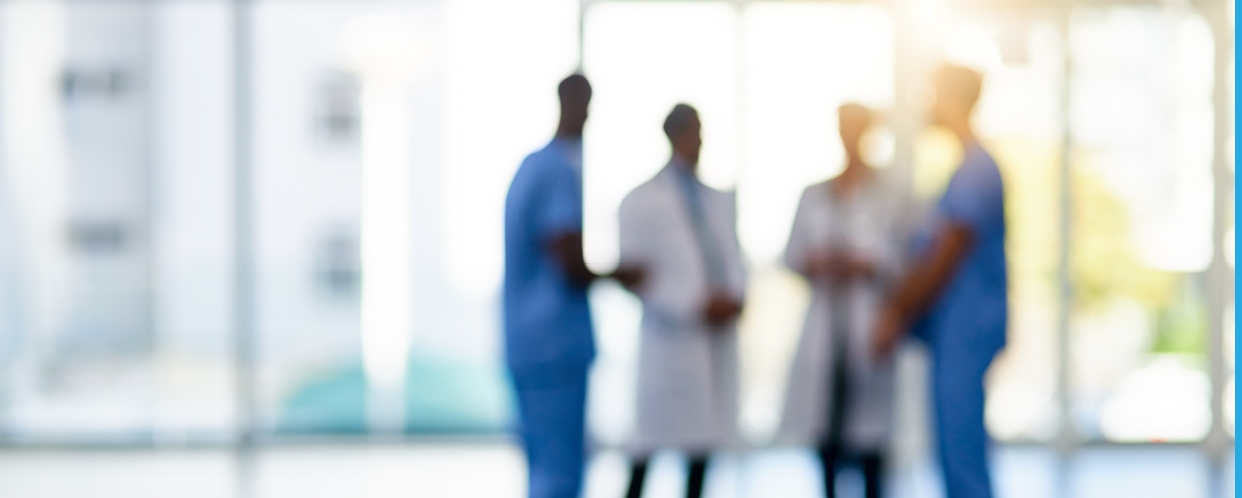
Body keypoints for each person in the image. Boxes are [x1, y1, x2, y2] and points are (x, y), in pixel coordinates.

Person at [873, 64, 1007, 498]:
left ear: (951, 97)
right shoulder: (965, 169)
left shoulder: (976, 171)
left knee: (962, 459)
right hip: (957, 333)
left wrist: (895, 312)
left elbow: (942, 260)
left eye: (931, 93)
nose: (925, 104)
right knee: (956, 454)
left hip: (965, 333)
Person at [503, 74, 640, 498]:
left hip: (528, 343)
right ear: (579, 105)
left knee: (543, 465)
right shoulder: (558, 171)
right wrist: (622, 274)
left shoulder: (532, 167)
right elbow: (568, 262)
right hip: (555, 348)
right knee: (561, 473)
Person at [778, 103, 913, 498]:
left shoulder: (893, 194)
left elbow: (905, 259)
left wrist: (867, 265)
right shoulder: (814, 193)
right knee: (827, 440)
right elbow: (791, 255)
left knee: (871, 447)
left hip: (868, 326)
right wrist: (819, 261)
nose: (850, 135)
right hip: (825, 327)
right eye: (844, 127)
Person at [617, 104, 746, 498]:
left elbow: (732, 258)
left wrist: (736, 298)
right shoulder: (640, 201)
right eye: (692, 131)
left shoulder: (716, 199)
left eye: (701, 131)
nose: (699, 140)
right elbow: (636, 276)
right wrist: (694, 304)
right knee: (647, 448)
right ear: (674, 136)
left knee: (701, 447)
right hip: (670, 342)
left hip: (712, 341)